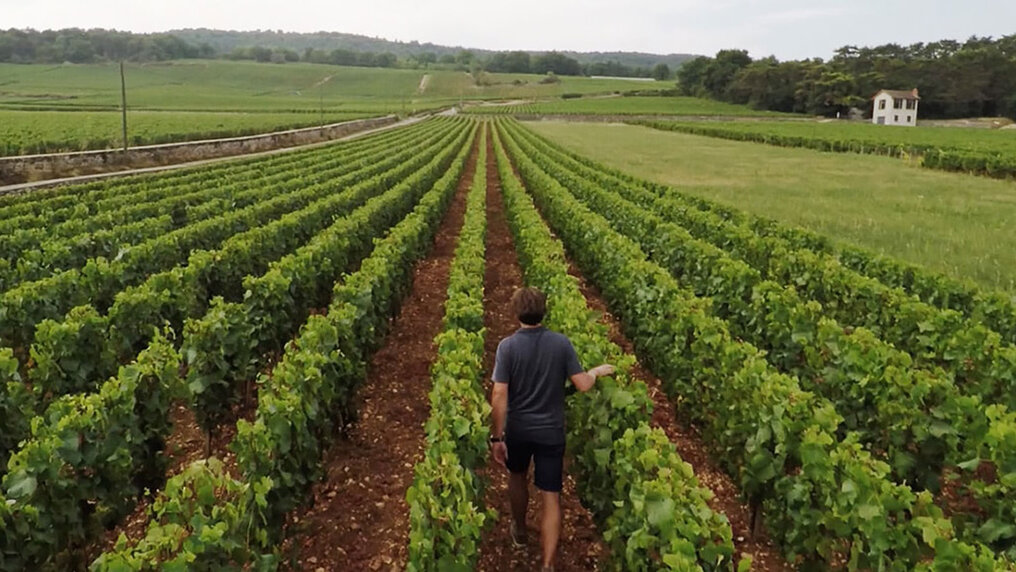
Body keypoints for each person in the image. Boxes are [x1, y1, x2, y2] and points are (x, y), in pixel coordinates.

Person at [489, 287, 615, 572]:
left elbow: (499, 394)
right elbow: (582, 384)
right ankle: (547, 564)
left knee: (517, 476)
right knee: (551, 495)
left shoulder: (507, 347)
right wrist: (594, 372)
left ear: (515, 312)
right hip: (551, 431)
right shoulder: (561, 344)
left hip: (519, 430)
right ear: (544, 312)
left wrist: (497, 436)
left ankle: (519, 530)